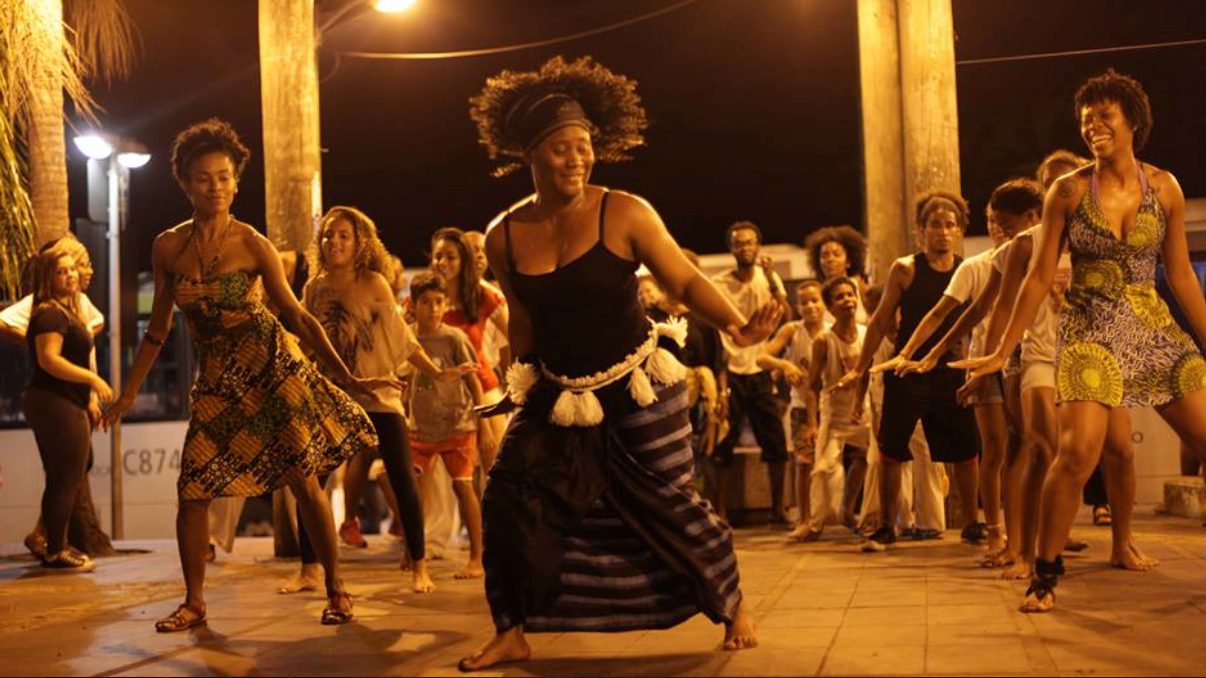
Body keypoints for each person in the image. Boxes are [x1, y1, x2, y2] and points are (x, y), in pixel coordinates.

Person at [460, 56, 775, 671]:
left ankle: (731, 603)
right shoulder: (502, 235)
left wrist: (736, 322)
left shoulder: (624, 211)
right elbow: (524, 322)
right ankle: (512, 627)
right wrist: (509, 386)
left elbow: (682, 280)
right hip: (556, 389)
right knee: (509, 496)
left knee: (667, 500)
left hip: (637, 386)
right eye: (561, 149)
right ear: (530, 155)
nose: (577, 158)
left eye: (584, 147)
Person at [103, 118, 389, 631]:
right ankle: (194, 602)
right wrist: (127, 394)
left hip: (271, 370)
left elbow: (296, 316)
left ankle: (337, 590)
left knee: (304, 481)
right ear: (185, 184)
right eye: (203, 177)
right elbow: (159, 329)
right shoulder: (168, 247)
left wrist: (348, 376)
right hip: (216, 382)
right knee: (193, 489)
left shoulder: (252, 244)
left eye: (224, 176)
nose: (214, 186)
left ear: (236, 182)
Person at [955, 70, 1206, 612]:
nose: (1094, 127)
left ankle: (1107, 550)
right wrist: (1002, 349)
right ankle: (1044, 575)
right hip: (1090, 329)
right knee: (1076, 454)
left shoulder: (1164, 187)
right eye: (1086, 119)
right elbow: (1040, 276)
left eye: (1105, 116)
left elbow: (1181, 275)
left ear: (1132, 121)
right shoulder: (1067, 192)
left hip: (1151, 326)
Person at [287, 206, 471, 594]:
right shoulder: (315, 288)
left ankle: (420, 566)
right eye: (328, 235)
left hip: (379, 394)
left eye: (343, 235)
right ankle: (309, 568)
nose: (334, 241)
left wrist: (436, 372)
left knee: (403, 477)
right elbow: (304, 339)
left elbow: (402, 341)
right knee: (310, 478)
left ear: (360, 243)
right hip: (332, 397)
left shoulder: (374, 284)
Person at [881, 179, 1038, 557]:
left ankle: (1026, 534)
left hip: (1027, 359)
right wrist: (924, 353)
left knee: (1034, 447)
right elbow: (971, 313)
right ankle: (999, 533)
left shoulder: (1047, 251)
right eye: (992, 221)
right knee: (996, 449)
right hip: (977, 363)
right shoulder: (975, 265)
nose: (999, 228)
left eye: (951, 224)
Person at [835, 190, 982, 551]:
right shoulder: (906, 269)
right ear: (920, 230)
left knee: (965, 451)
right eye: (935, 225)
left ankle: (972, 523)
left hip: (950, 372)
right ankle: (886, 525)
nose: (942, 232)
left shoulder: (968, 270)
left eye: (950, 225)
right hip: (905, 370)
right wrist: (861, 368)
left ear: (960, 230)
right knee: (891, 450)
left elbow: (979, 323)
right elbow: (881, 319)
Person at [1, 235, 112, 560]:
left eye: (75, 269)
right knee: (65, 475)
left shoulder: (71, 308)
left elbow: (80, 346)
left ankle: (47, 539)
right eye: (64, 271)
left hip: (69, 399)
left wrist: (89, 396)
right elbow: (50, 359)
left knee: (73, 469)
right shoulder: (48, 312)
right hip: (55, 400)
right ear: (49, 277)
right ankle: (56, 548)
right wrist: (92, 379)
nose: (76, 274)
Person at [407, 272, 487, 580]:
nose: (433, 309)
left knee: (462, 485)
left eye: (439, 302)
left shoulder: (454, 337)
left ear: (446, 303)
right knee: (412, 488)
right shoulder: (407, 336)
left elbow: (473, 379)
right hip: (421, 427)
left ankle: (477, 556)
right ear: (413, 305)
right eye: (425, 302)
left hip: (457, 423)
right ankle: (413, 552)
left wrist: (482, 422)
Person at [712, 220, 793, 525]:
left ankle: (778, 508)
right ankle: (720, 510)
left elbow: (787, 315)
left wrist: (772, 278)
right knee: (722, 444)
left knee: (774, 441)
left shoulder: (768, 278)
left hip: (760, 368)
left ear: (758, 246)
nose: (745, 247)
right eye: (738, 242)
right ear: (731, 248)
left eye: (749, 242)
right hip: (730, 370)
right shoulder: (719, 284)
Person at [798, 277, 869, 541]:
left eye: (851, 295)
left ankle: (850, 512)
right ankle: (816, 523)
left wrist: (862, 404)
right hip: (834, 415)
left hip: (862, 412)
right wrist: (813, 423)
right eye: (840, 297)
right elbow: (813, 386)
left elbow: (868, 374)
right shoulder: (823, 340)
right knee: (825, 468)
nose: (848, 300)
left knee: (867, 460)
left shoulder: (865, 333)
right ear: (830, 307)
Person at [758, 280, 826, 539]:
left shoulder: (831, 331)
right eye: (805, 302)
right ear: (797, 306)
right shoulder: (792, 330)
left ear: (824, 303)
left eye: (815, 300)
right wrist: (785, 366)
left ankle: (845, 512)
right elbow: (762, 357)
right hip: (801, 407)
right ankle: (804, 518)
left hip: (831, 408)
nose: (810, 306)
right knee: (804, 462)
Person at [804, 225, 870, 323]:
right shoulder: (816, 294)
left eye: (836, 254)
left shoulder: (861, 289)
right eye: (825, 255)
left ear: (848, 261)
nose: (830, 259)